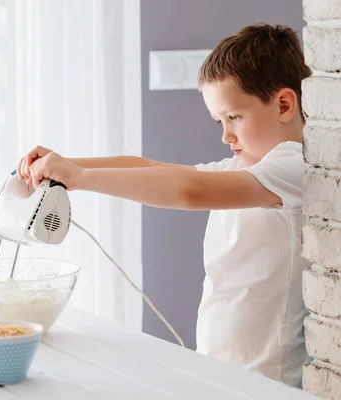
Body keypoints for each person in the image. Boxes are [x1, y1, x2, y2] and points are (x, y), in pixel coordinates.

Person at [16, 23, 312, 387]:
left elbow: (190, 190)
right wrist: (69, 165)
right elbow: (152, 169)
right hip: (223, 369)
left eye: (234, 116)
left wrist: (80, 176)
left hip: (268, 380)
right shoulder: (243, 167)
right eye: (219, 121)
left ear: (284, 104)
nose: (225, 135)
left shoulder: (293, 165)